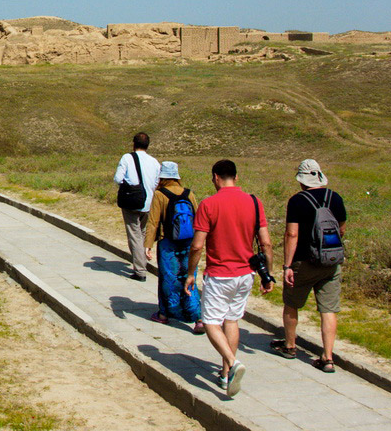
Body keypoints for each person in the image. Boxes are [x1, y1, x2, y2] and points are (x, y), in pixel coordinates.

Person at [184, 159, 273, 398]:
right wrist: (269, 274)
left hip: (220, 273)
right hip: (246, 274)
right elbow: (265, 241)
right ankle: (225, 375)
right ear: (236, 176)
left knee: (211, 322)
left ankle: (233, 363)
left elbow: (197, 246)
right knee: (232, 321)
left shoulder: (209, 204)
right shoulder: (254, 202)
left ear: (215, 177)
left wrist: (190, 273)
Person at [271, 159, 347, 373]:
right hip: (331, 263)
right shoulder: (335, 198)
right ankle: (328, 357)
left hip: (303, 262)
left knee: (291, 303)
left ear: (301, 181)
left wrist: (287, 265)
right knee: (328, 309)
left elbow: (291, 234)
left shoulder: (297, 201)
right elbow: (341, 230)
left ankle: (290, 345)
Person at [145, 161, 205, 333]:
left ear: (162, 176)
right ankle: (198, 317)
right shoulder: (189, 193)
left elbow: (153, 222)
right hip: (189, 241)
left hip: (167, 243)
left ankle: (164, 314)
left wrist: (148, 245)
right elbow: (197, 217)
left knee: (168, 278)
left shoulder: (160, 194)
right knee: (190, 276)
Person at [114, 132, 161, 281]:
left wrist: (128, 187)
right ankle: (143, 259)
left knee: (134, 235)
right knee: (141, 232)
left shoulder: (127, 158)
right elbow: (156, 183)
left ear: (134, 143)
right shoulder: (154, 162)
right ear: (148, 145)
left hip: (131, 202)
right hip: (148, 203)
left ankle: (140, 271)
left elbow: (118, 178)